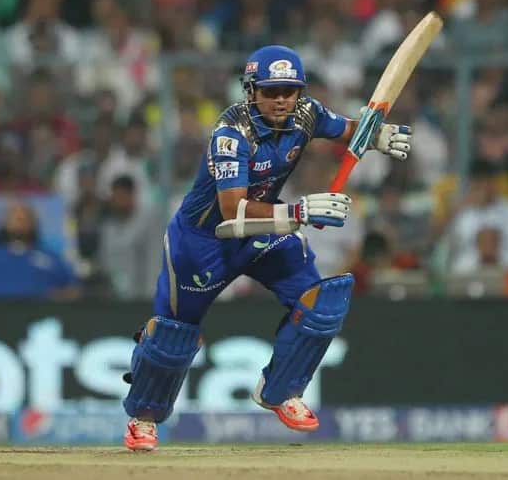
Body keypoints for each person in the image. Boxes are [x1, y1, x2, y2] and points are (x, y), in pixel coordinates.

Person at [121, 45, 412, 451]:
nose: (280, 100)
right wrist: (298, 211)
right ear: (251, 91)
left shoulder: (306, 113)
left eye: (289, 91)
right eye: (271, 91)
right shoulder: (231, 133)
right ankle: (144, 418)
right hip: (203, 242)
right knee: (174, 335)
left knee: (321, 304)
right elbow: (231, 211)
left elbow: (347, 129)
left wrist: (374, 134)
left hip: (261, 234)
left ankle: (281, 391)